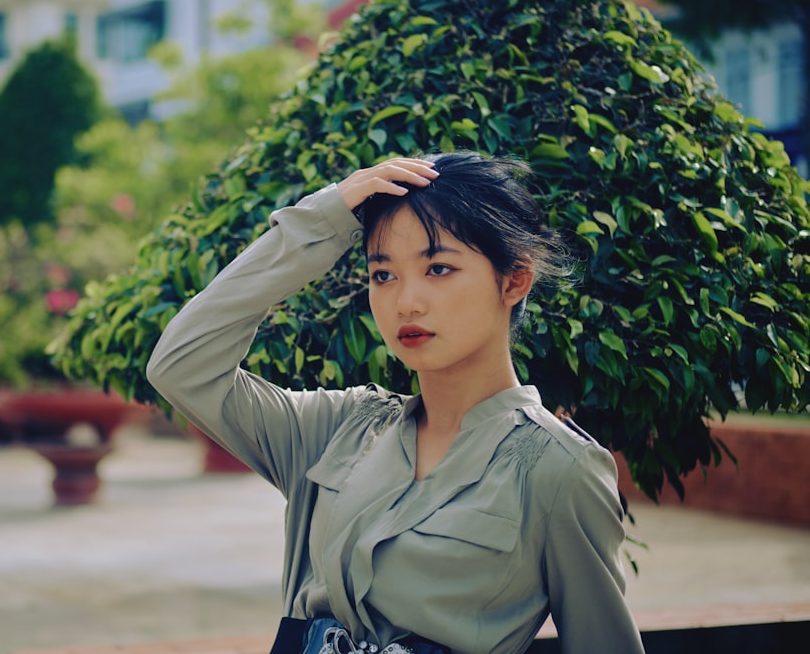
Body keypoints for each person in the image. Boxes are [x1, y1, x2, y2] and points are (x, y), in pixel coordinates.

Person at [146, 151, 645, 654]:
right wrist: (325, 218)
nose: (406, 301)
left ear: (515, 279)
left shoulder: (558, 470)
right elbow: (183, 365)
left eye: (439, 268)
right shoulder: (336, 429)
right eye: (383, 275)